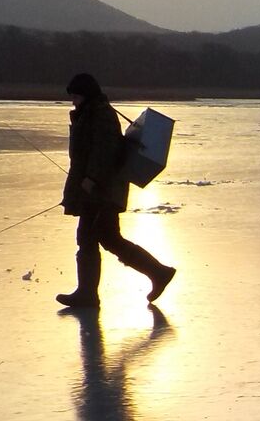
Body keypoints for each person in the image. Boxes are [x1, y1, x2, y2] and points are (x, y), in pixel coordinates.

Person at [56, 73, 175, 308]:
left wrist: (91, 179)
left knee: (90, 238)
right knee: (107, 238)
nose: (73, 101)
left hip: (102, 191)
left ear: (86, 94)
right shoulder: (91, 113)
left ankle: (88, 294)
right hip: (100, 190)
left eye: (76, 96)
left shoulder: (100, 115)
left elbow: (104, 151)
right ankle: (158, 272)